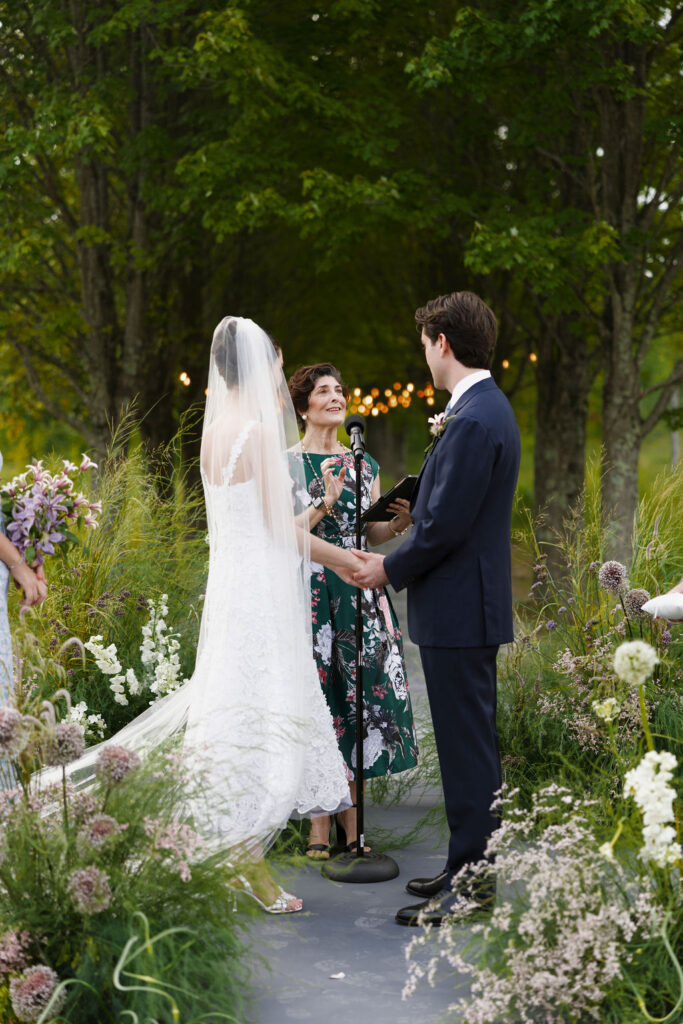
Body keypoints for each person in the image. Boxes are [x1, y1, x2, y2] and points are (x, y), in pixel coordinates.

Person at [47, 319, 357, 914]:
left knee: (233, 715)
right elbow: (279, 533)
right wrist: (349, 560)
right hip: (261, 592)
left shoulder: (216, 436)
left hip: (233, 587)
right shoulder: (260, 436)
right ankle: (245, 859)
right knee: (261, 719)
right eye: (275, 362)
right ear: (259, 366)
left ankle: (231, 855)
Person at [353, 291, 521, 927]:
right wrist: (416, 508)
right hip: (461, 605)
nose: (423, 357)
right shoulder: (476, 409)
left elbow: (451, 525)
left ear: (442, 343)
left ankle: (475, 889)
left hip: (462, 607)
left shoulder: (475, 418)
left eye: (424, 345)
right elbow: (450, 506)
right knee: (462, 748)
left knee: (470, 750)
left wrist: (386, 566)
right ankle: (464, 865)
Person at [288, 363, 418, 859]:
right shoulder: (286, 463)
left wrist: (400, 523)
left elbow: (369, 534)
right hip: (311, 591)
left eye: (340, 390)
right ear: (304, 407)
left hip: (360, 588)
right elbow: (283, 530)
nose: (335, 398)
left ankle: (353, 822)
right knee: (318, 699)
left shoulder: (363, 464)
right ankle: (317, 826)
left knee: (359, 701)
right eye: (323, 392)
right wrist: (324, 500)